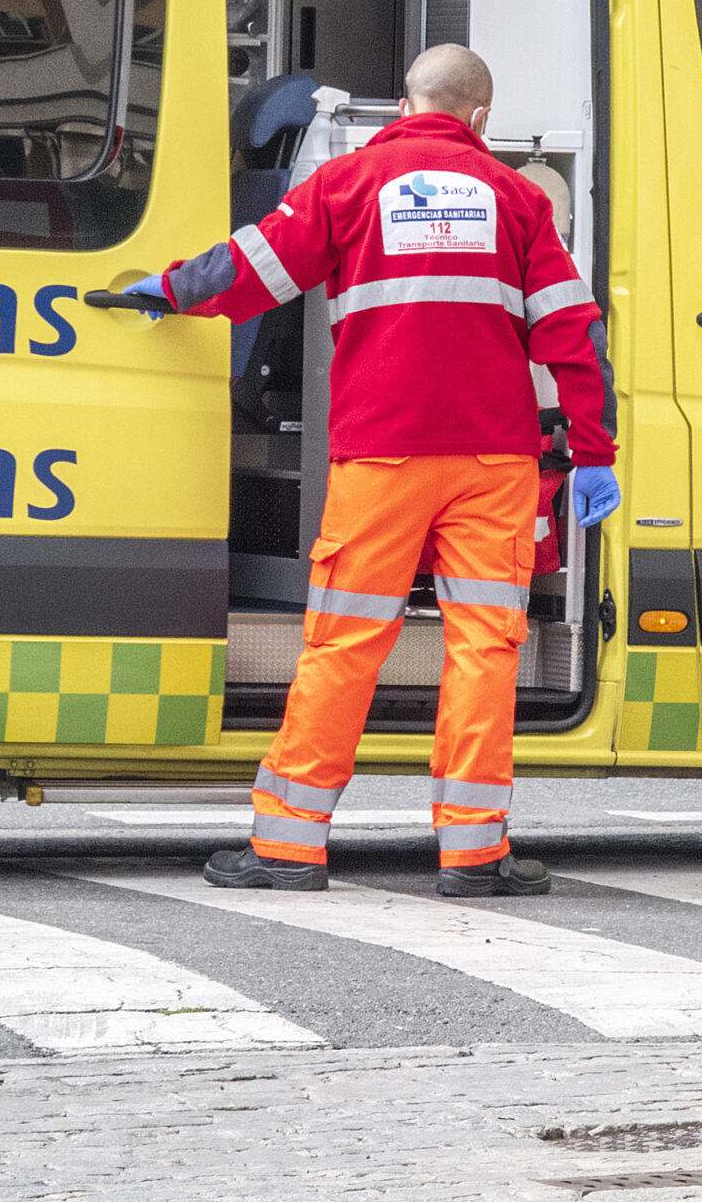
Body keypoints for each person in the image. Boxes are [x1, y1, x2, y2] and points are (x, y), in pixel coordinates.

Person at [132, 44, 619, 897]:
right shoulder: (518, 200)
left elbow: (249, 274)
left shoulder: (348, 184)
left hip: (381, 458)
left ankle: (289, 847)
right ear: (478, 119)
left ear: (404, 105)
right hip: (492, 463)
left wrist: (166, 289)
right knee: (484, 651)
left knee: (344, 644)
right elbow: (572, 334)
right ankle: (473, 856)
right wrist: (592, 451)